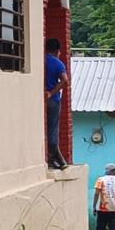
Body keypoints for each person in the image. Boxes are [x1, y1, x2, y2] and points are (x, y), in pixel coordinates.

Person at [45, 38, 69, 170]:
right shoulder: (57, 63)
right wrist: (51, 92)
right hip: (53, 100)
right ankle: (56, 158)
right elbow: (65, 81)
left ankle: (56, 160)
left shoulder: (42, 61)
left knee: (47, 128)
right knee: (53, 129)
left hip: (42, 99)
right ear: (58, 51)